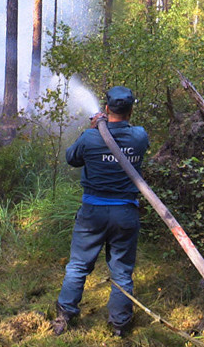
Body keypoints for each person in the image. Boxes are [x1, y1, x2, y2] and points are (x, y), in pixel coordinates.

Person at [52, 86, 149, 337]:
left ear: (106, 109)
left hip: (92, 213)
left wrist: (96, 129)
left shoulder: (90, 137)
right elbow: (131, 141)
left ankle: (65, 315)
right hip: (125, 214)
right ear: (130, 111)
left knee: (78, 266)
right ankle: (119, 324)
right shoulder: (139, 137)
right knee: (122, 270)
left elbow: (71, 158)